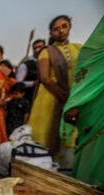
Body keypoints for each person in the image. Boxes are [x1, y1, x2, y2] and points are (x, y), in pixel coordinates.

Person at [28, 15, 82, 157]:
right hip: (50, 99)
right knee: (46, 135)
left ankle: (63, 170)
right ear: (51, 33)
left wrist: (74, 98)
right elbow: (45, 78)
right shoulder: (46, 51)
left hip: (74, 97)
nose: (61, 31)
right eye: (56, 29)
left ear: (70, 27)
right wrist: (65, 96)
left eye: (64, 26)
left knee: (68, 138)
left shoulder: (78, 49)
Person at [62, 15, 104, 189]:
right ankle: (89, 188)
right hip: (95, 103)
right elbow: (87, 67)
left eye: (65, 26)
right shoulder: (96, 47)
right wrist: (75, 103)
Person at [16, 39, 46, 105]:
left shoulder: (50, 62)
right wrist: (33, 83)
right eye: (35, 48)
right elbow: (19, 83)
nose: (37, 50)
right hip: (30, 100)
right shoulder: (25, 65)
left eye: (40, 47)